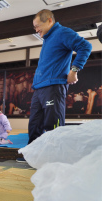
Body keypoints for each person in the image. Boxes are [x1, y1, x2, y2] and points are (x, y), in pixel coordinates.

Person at [17, 9, 92, 163]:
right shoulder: (47, 39)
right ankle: (32, 155)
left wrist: (74, 70)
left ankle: (56, 159)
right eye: (34, 27)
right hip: (39, 88)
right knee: (35, 124)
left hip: (54, 86)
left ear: (49, 20)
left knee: (53, 123)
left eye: (38, 26)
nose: (36, 30)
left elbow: (85, 46)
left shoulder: (62, 32)